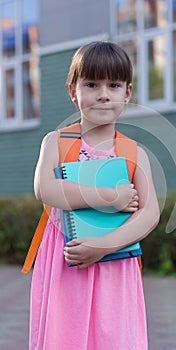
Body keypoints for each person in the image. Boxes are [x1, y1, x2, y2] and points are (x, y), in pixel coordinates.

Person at [30, 41, 160, 350]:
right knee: (66, 335)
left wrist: (102, 246)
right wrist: (109, 197)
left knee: (113, 336)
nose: (103, 94)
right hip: (68, 259)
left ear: (127, 93)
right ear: (73, 91)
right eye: (91, 84)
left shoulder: (134, 153)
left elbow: (150, 213)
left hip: (115, 261)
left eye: (113, 85)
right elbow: (45, 189)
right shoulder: (57, 143)